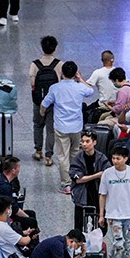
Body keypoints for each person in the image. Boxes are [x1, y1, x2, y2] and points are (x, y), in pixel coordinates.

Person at [42, 61, 94, 195]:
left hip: (61, 127)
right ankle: (76, 179)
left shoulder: (55, 88)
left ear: (61, 72)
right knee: (75, 153)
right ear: (75, 73)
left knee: (63, 156)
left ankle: (66, 184)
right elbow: (91, 91)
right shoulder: (79, 87)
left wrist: (42, 113)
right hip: (76, 126)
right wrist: (80, 79)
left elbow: (44, 103)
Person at [30, 36, 63, 164]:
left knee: (38, 125)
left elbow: (32, 84)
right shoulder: (59, 64)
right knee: (51, 129)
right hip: (54, 102)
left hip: (38, 101)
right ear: (55, 48)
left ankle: (38, 151)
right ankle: (49, 156)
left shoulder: (34, 65)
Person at [69, 131, 109, 231]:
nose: (84, 144)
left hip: (97, 195)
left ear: (94, 142)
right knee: (78, 227)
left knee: (102, 227)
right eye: (82, 141)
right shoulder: (78, 158)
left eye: (87, 141)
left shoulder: (101, 158)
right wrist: (97, 175)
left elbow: (108, 173)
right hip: (82, 195)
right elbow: (78, 180)